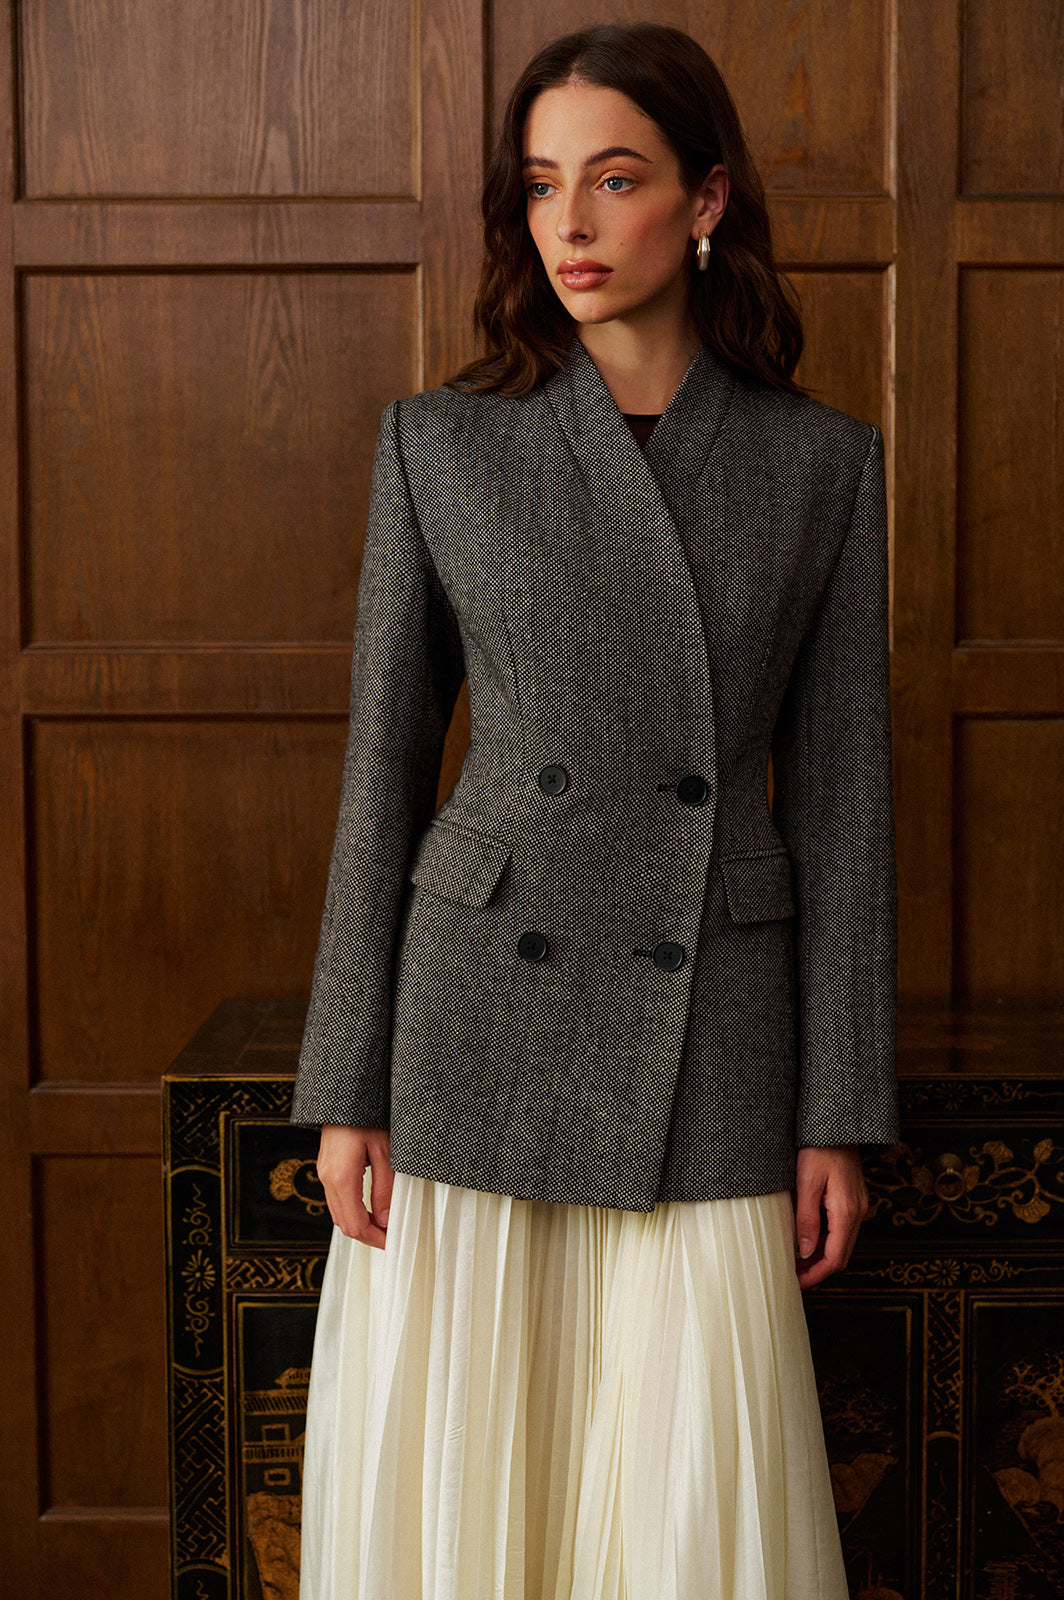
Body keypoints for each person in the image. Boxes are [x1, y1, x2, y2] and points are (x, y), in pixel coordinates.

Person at [290, 21, 897, 1600]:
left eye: (615, 180)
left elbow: (844, 806)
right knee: (474, 1492)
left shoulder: (820, 465)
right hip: (478, 1017)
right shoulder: (442, 443)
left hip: (714, 1024)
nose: (569, 222)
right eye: (543, 183)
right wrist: (346, 1082)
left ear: (706, 200)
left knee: (682, 1499)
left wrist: (838, 1108)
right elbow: (382, 769)